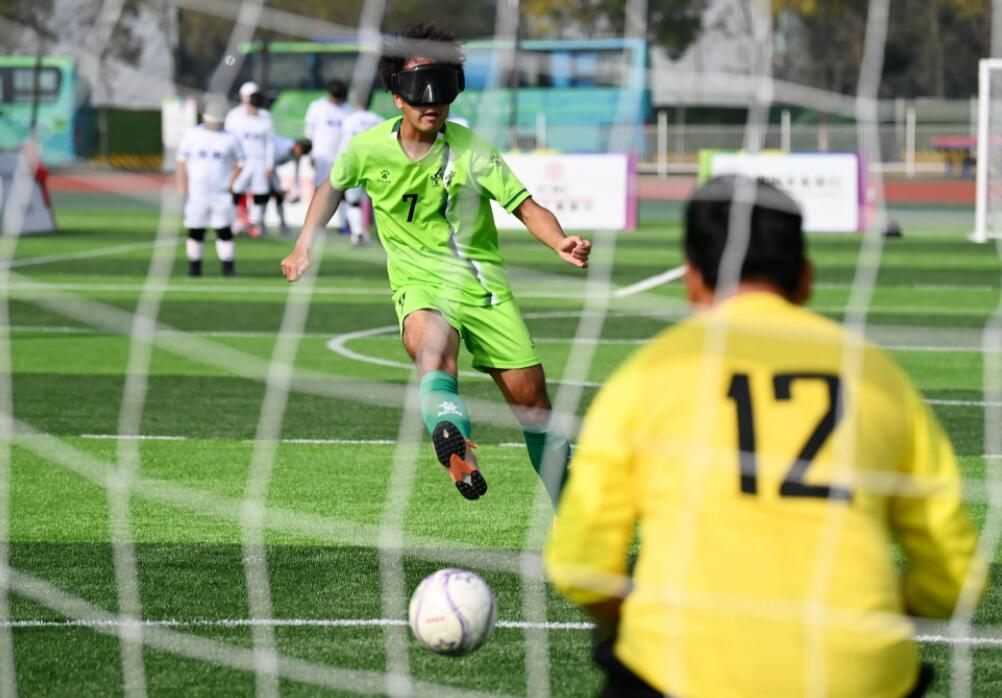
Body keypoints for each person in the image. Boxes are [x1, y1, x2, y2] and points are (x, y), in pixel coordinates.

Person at [545, 175, 984, 698]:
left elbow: (581, 564)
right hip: (857, 677)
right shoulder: (878, 377)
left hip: (683, 669)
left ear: (692, 280)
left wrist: (629, 622)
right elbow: (954, 572)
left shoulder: (648, 375)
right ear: (806, 279)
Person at [281, 22, 591, 502]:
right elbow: (331, 188)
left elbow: (527, 207)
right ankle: (454, 439)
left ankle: (567, 512)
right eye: (418, 88)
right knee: (431, 351)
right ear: (396, 96)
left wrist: (558, 242)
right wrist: (304, 243)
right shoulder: (366, 149)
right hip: (419, 284)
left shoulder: (470, 150)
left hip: (483, 290)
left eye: (441, 87)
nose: (431, 101)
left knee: (534, 408)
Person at [176, 98, 244, 277]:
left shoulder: (229, 138)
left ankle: (228, 269)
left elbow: (241, 162)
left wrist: (231, 183)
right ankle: (194, 269)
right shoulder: (192, 135)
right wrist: (181, 184)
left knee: (224, 229)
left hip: (221, 193)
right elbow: (181, 161)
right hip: (198, 192)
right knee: (196, 229)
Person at [334, 89, 384, 246]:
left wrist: (339, 164)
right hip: (375, 165)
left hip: (355, 164)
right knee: (376, 201)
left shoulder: (350, 120)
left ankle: (358, 234)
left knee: (353, 201)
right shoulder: (379, 120)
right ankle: (379, 234)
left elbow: (345, 144)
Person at [225, 81, 274, 238]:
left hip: (259, 161)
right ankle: (235, 221)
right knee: (236, 190)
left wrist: (269, 164)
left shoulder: (265, 116)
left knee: (260, 192)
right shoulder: (234, 116)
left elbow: (269, 143)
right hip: (242, 161)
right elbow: (228, 139)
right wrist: (231, 161)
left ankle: (255, 222)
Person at [305, 80, 352, 232]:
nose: (336, 100)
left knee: (341, 190)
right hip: (322, 156)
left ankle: (343, 224)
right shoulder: (317, 107)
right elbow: (309, 132)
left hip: (341, 157)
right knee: (320, 190)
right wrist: (311, 154)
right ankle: (316, 223)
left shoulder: (348, 110)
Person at [268, 136, 312, 236]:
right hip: (262, 163)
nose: (300, 155)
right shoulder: (282, 149)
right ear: (297, 146)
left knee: (278, 195)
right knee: (265, 194)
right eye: (301, 151)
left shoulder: (298, 153)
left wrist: (296, 192)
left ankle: (283, 224)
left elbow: (297, 174)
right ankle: (258, 224)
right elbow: (269, 164)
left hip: (270, 167)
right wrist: (277, 188)